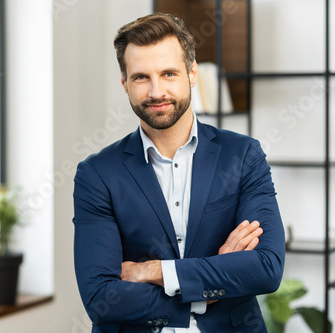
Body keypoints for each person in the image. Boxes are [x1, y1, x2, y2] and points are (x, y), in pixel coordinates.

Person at [72, 13, 285, 333]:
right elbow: (101, 299)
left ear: (192, 73)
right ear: (124, 82)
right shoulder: (97, 174)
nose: (157, 91)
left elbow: (266, 268)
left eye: (168, 73)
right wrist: (208, 286)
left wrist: (153, 271)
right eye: (141, 77)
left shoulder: (242, 156)